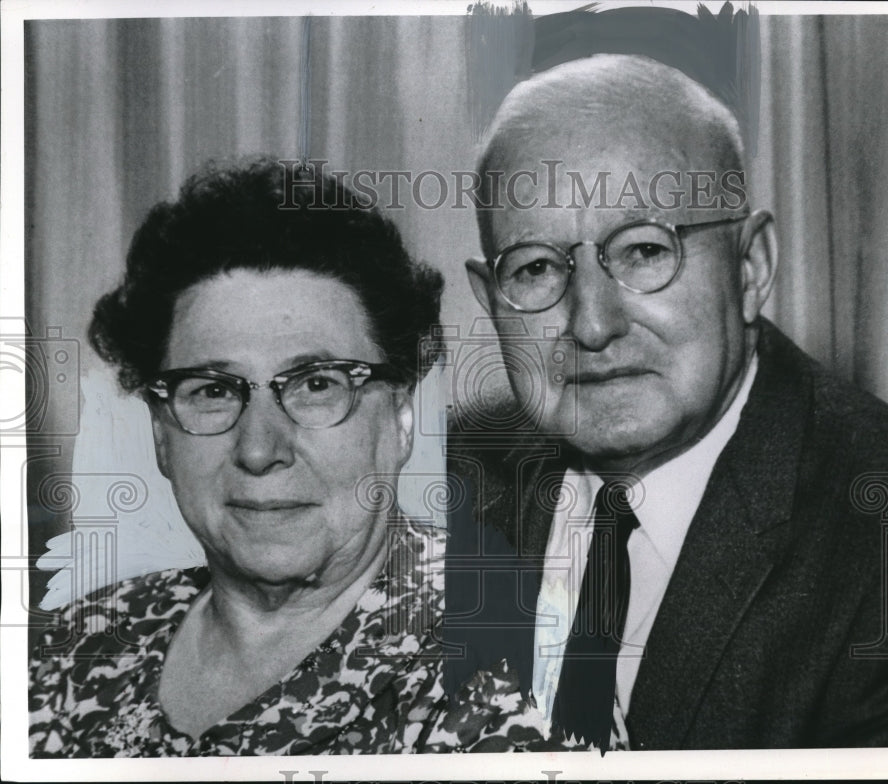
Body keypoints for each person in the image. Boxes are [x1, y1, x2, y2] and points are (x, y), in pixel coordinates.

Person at [444, 54, 888, 751]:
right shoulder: (437, 481)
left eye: (642, 252)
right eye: (537, 268)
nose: (594, 324)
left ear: (751, 267)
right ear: (490, 300)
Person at [28, 157, 562, 756]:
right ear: (161, 432)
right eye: (212, 390)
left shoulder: (514, 664)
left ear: (401, 417)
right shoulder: (82, 644)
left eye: (315, 385)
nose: (259, 450)